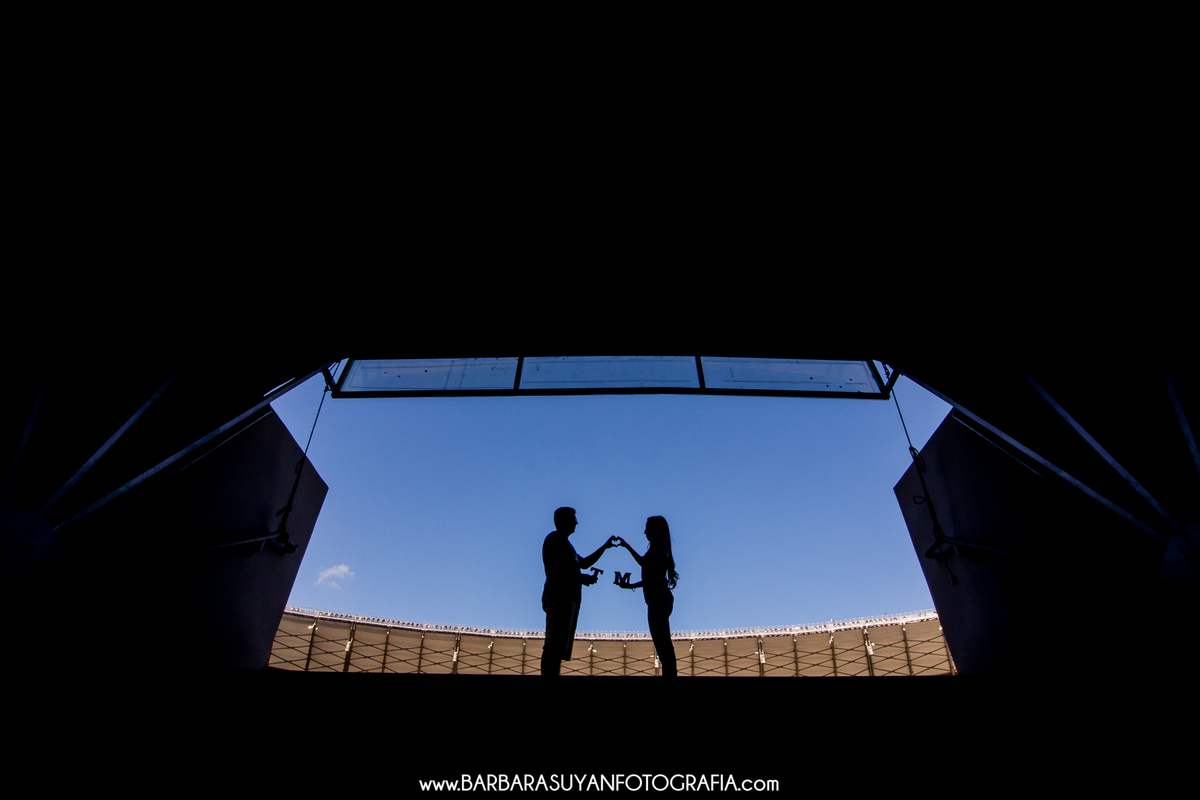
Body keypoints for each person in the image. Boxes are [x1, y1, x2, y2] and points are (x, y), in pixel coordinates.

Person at [541, 507, 619, 677]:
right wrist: (580, 578)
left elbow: (583, 563)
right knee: (554, 644)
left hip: (568, 599)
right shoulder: (555, 539)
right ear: (562, 520)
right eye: (572, 518)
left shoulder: (567, 546)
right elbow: (558, 570)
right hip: (559, 597)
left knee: (559, 646)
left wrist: (605, 547)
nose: (576, 522)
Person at [615, 516, 679, 677]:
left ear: (655, 529)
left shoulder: (658, 547)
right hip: (658, 598)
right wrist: (627, 546)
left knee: (663, 647)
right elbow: (645, 563)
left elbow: (653, 578)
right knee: (664, 646)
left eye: (647, 528)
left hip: (657, 599)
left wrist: (632, 586)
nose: (645, 532)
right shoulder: (660, 547)